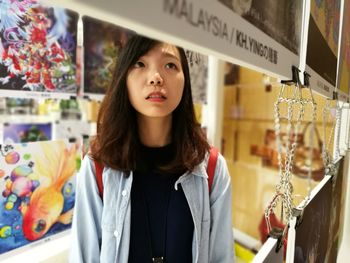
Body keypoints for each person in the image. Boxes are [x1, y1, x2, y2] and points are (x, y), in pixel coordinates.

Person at [70, 34, 234, 263]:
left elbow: (222, 257)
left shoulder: (212, 168)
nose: (156, 78)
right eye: (140, 64)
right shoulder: (98, 166)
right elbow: (83, 257)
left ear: (185, 80)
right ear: (123, 77)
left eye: (170, 65)